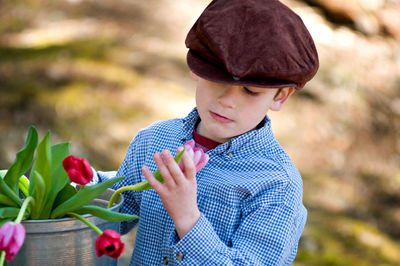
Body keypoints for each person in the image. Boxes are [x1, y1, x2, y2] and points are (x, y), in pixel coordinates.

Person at [93, 0, 319, 264]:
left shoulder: (276, 184)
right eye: (216, 80)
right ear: (196, 68)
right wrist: (69, 186)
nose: (227, 101)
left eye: (251, 91)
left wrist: (188, 218)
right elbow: (115, 209)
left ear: (281, 96)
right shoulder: (153, 140)